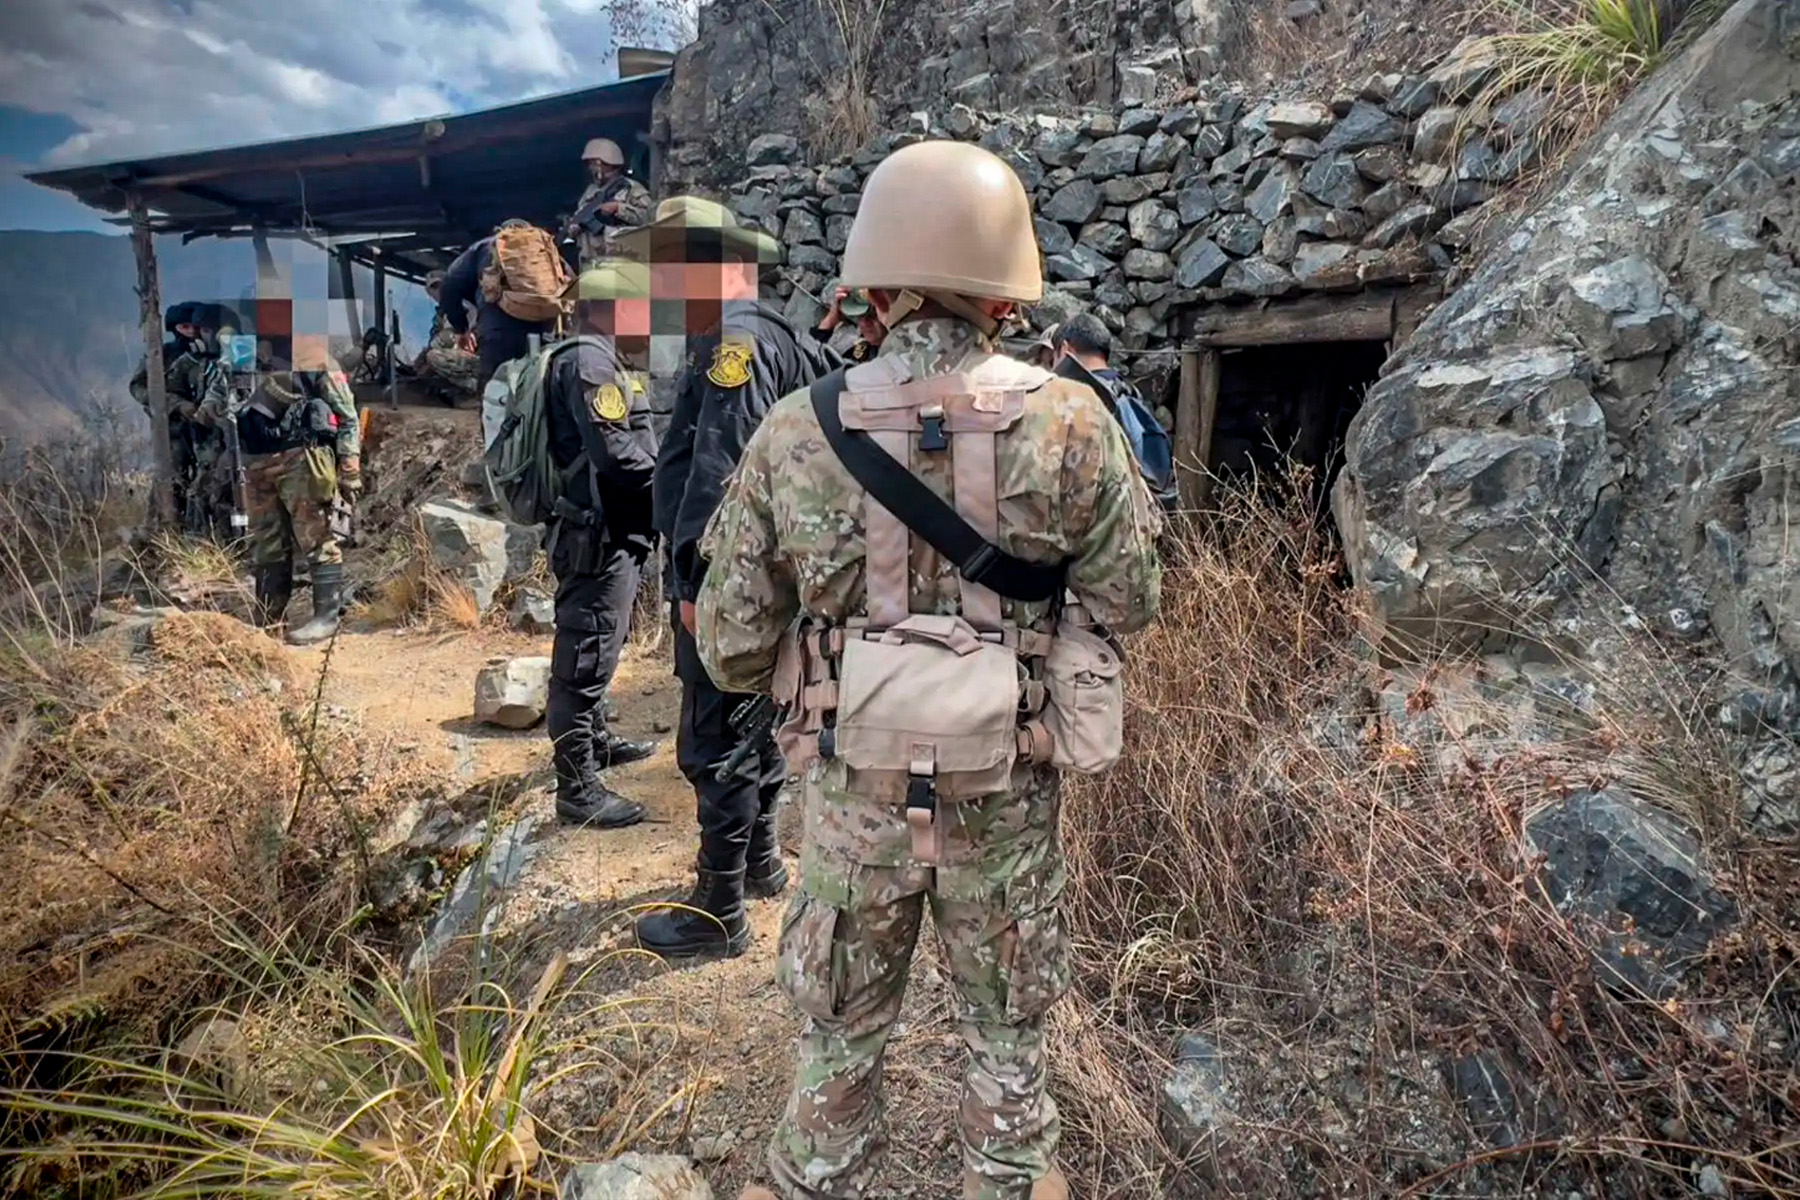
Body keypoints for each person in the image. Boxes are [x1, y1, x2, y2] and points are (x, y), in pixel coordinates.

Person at [691, 139, 1163, 1200]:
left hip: (854, 792)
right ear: (1005, 293)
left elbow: (728, 649)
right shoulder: (1075, 422)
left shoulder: (795, 430)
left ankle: (814, 1180)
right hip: (1008, 785)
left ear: (875, 286)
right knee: (1007, 1038)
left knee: (839, 1038)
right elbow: (1134, 601)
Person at [635, 195, 841, 959]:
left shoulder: (734, 343)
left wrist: (696, 586)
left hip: (733, 581)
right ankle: (759, 863)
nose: (660, 287)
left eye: (670, 269)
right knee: (755, 719)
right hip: (776, 576)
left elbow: (719, 474)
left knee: (713, 735)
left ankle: (718, 912)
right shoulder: (785, 336)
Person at [542, 259, 662, 828]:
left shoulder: (602, 358)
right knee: (583, 656)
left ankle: (596, 741)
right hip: (597, 534)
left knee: (601, 644)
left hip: (610, 530)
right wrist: (672, 485)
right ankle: (578, 790)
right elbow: (615, 455)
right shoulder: (590, 362)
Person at [203, 330, 362, 644]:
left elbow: (347, 417)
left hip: (301, 457)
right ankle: (269, 619)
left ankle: (326, 617)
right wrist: (216, 404)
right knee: (266, 542)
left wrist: (350, 468)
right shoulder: (239, 353)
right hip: (253, 461)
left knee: (316, 536)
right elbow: (214, 401)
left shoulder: (311, 355)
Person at [1050, 313, 1179, 512]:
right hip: (1140, 516)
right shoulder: (1129, 394)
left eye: (1053, 358)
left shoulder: (1070, 399)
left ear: (1065, 349)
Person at [437, 220, 557, 393]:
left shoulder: (484, 246)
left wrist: (460, 328)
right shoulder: (543, 249)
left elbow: (449, 284)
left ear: (500, 232)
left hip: (498, 329)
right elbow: (571, 285)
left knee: (495, 389)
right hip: (544, 328)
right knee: (540, 388)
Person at [567, 137, 653, 265]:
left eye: (593, 163)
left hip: (626, 263)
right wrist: (575, 228)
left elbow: (650, 218)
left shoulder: (631, 188)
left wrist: (619, 208)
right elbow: (579, 217)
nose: (591, 168)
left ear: (602, 163)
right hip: (593, 264)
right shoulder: (590, 192)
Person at [415, 270, 482, 402]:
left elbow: (450, 338)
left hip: (478, 358)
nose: (437, 291)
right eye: (432, 288)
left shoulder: (461, 305)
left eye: (439, 285)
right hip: (461, 359)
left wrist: (427, 355)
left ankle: (479, 388)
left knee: (434, 356)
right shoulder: (441, 313)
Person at [808, 282, 884, 363]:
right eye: (859, 315)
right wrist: (831, 320)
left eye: (873, 315)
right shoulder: (860, 349)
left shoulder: (890, 352)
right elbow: (812, 360)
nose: (864, 323)